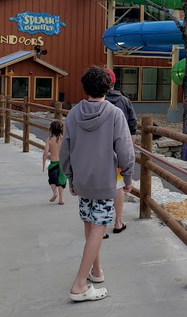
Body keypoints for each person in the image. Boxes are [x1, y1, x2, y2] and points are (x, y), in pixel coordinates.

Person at [60, 66, 134, 302]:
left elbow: (65, 149)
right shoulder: (114, 114)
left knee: (90, 224)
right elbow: (125, 149)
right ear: (108, 88)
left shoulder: (73, 113)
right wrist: (129, 178)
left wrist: (70, 176)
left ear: (85, 88)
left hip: (81, 179)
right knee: (99, 226)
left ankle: (96, 271)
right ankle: (79, 284)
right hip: (104, 180)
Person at [104, 68, 137, 237]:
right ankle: (118, 221)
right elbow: (132, 125)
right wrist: (129, 147)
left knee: (100, 185)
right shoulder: (124, 101)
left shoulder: (94, 102)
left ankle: (100, 225)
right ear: (114, 82)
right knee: (118, 186)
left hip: (99, 152)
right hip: (119, 151)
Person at [42, 120, 66, 205]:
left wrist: (44, 163)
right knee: (62, 181)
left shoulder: (49, 140)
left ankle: (55, 193)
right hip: (63, 162)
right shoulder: (63, 138)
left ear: (51, 129)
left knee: (52, 180)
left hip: (54, 163)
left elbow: (45, 153)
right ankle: (61, 199)